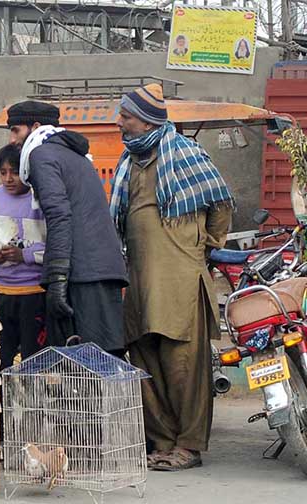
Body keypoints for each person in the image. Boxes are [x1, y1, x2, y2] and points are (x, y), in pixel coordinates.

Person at [111, 83, 233, 471]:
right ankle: (163, 441)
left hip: (180, 279)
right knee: (145, 364)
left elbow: (221, 204)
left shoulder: (186, 154)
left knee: (184, 368)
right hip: (140, 282)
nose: (120, 123)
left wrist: (204, 248)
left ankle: (189, 445)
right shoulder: (128, 162)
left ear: (146, 120)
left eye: (126, 117)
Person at [7, 100, 127, 357]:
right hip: (101, 271)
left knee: (82, 370)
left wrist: (58, 278)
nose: (12, 139)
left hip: (82, 275)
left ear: (35, 127)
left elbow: (59, 216)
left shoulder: (42, 155)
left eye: (15, 130)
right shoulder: (74, 155)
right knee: (105, 362)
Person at [0, 143, 46, 368]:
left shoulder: (40, 197)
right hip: (2, 290)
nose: (9, 179)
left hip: (33, 291)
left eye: (15, 172)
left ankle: (33, 403)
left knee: (34, 359)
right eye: (3, 173)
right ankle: (0, 403)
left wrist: (24, 255)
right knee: (0, 358)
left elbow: (56, 244)